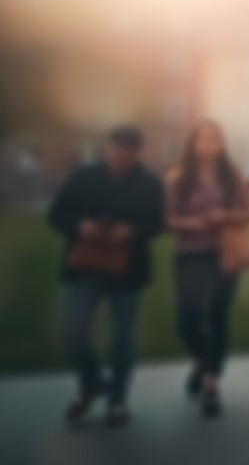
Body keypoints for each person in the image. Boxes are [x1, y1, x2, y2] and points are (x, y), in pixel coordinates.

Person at [46, 125, 165, 427]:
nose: (120, 156)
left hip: (128, 269)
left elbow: (158, 222)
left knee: (122, 335)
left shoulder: (149, 183)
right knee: (71, 331)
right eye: (115, 149)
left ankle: (118, 399)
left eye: (127, 151)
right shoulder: (83, 176)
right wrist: (79, 226)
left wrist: (132, 230)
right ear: (107, 147)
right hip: (84, 266)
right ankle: (94, 382)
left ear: (137, 153)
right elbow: (56, 214)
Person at [163, 120, 249, 419]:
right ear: (192, 143)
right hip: (190, 255)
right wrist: (191, 224)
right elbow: (167, 220)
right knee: (187, 321)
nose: (209, 143)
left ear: (222, 143)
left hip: (225, 254)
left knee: (217, 316)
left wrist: (225, 216)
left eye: (214, 138)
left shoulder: (233, 176)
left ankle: (212, 383)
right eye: (203, 138)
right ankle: (202, 360)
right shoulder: (178, 178)